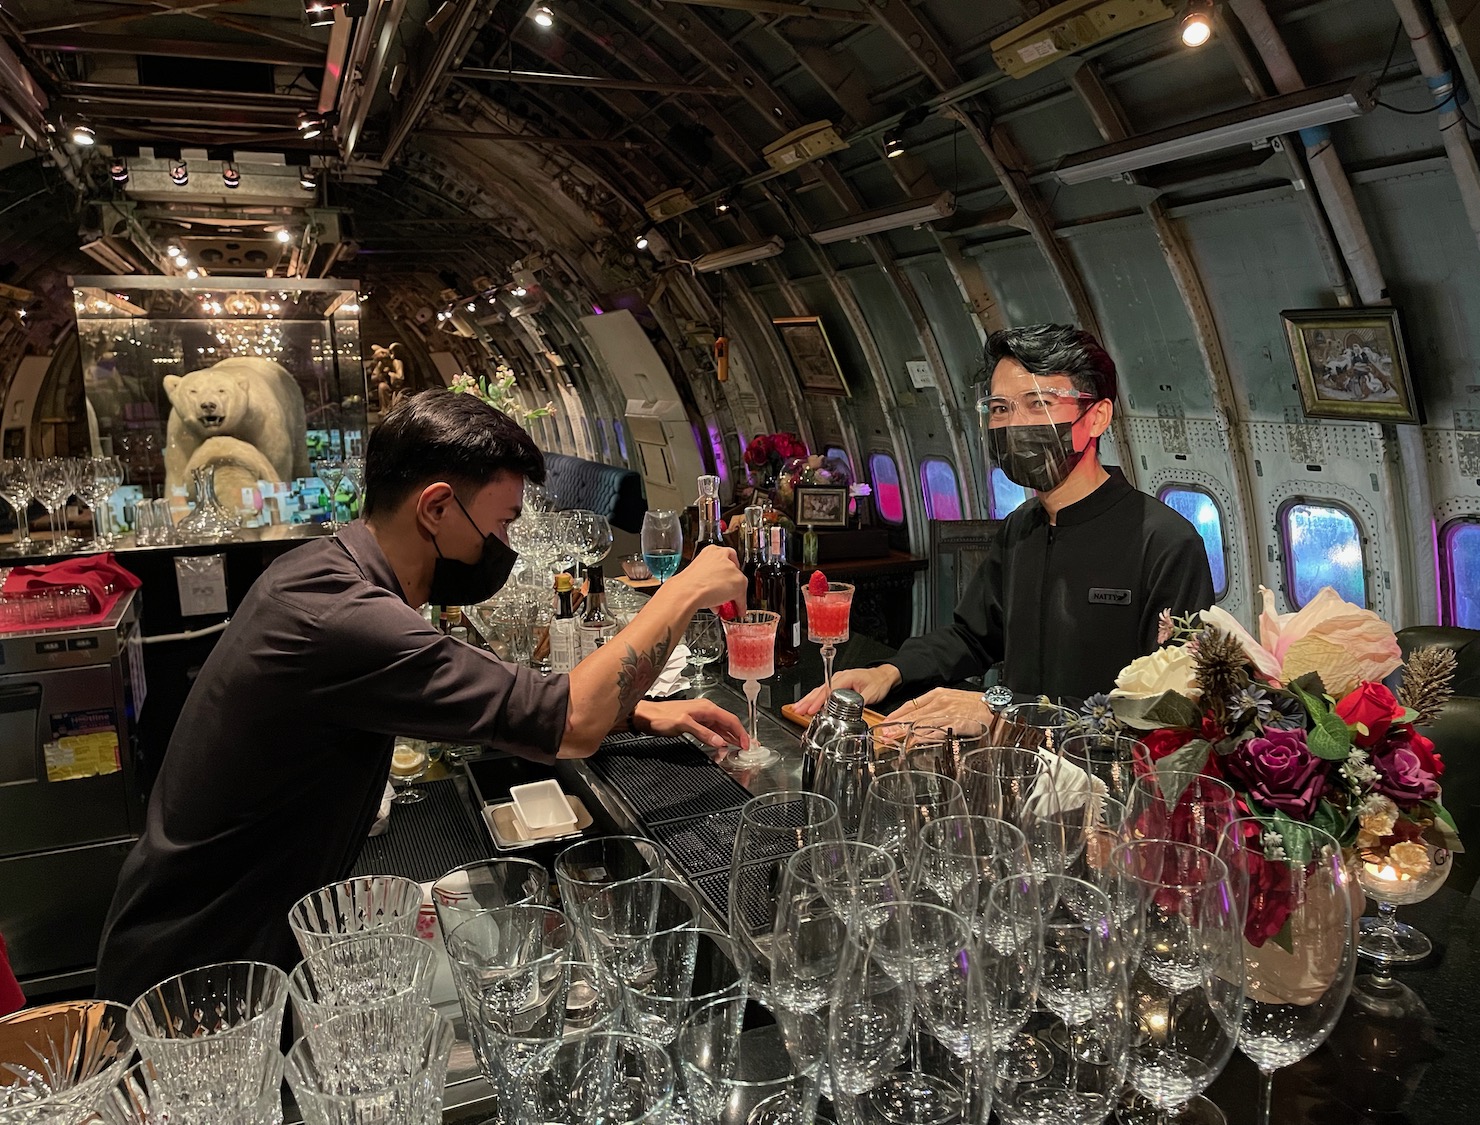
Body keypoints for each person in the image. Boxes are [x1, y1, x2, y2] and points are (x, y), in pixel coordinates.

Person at [96, 389, 749, 1004]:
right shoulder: (346, 618)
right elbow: (571, 722)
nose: (504, 548)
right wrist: (683, 589)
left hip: (227, 947)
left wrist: (635, 707)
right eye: (501, 523)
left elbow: (492, 691)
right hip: (197, 980)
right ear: (435, 507)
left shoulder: (326, 573)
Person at [795, 323, 1214, 725]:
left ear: (1097, 416)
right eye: (999, 408)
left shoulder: (1165, 543)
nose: (1015, 424)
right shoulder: (1021, 528)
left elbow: (1168, 710)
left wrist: (1008, 711)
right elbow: (973, 637)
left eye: (1039, 403)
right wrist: (890, 672)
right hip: (1015, 768)